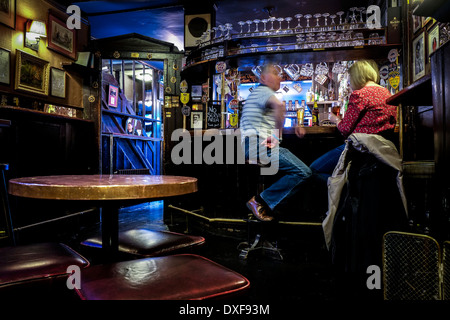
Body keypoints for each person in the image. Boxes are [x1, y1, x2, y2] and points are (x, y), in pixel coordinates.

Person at [306, 59, 398, 182]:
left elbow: (345, 129)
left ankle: (344, 187)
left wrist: (336, 119)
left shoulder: (360, 94)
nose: (349, 82)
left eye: (350, 78)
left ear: (357, 76)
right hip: (382, 150)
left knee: (313, 170)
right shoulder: (387, 93)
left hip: (360, 148)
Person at [240, 64, 312, 222]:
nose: (280, 77)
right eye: (275, 73)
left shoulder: (258, 95)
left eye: (280, 74)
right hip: (257, 145)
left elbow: (273, 115)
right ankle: (260, 202)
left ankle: (267, 205)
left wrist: (294, 126)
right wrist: (277, 135)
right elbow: (279, 106)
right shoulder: (262, 90)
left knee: (301, 172)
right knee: (304, 172)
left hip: (252, 146)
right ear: (263, 78)